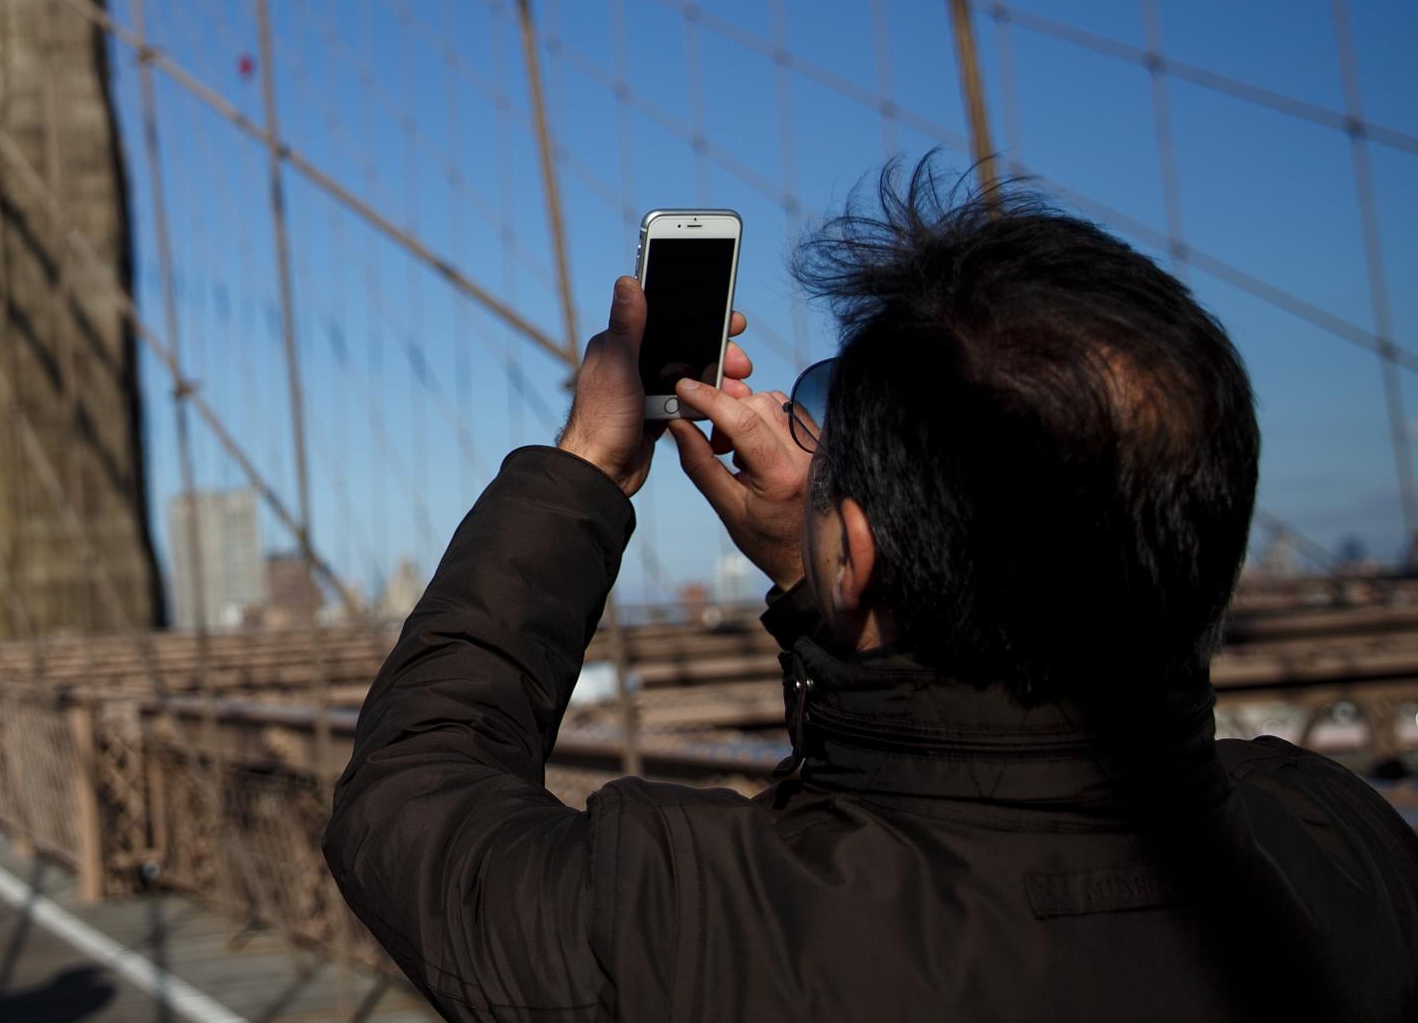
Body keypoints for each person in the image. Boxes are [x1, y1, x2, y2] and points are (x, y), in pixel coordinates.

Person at [325, 162, 1418, 1023]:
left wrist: (591, 465)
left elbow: (410, 793)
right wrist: (829, 574)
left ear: (856, 552)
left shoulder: (692, 929)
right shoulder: (1343, 847)